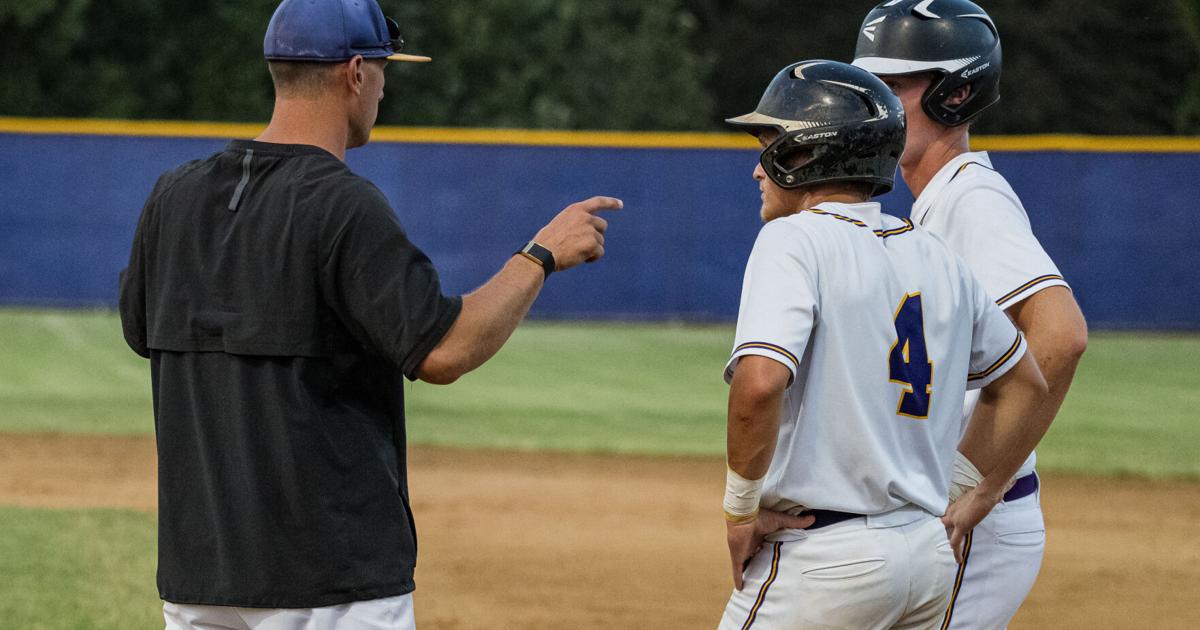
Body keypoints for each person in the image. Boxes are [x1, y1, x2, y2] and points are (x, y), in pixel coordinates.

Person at [117, 0, 620, 628]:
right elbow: (443, 350)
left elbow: (141, 333)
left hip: (200, 575)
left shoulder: (173, 195)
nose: (384, 87)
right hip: (329, 579)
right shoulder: (341, 203)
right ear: (355, 72)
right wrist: (540, 254)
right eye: (383, 69)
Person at [716, 59, 1054, 629]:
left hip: (823, 562)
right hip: (926, 557)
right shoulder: (936, 254)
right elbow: (1026, 383)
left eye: (770, 143)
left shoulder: (792, 240)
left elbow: (760, 382)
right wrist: (961, 489)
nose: (757, 167)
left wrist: (739, 511)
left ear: (806, 154)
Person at [853, 2, 1089, 627]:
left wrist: (976, 485)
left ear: (955, 94)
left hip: (970, 527)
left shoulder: (970, 198)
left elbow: (1060, 337)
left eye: (896, 85)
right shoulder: (939, 202)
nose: (876, 102)